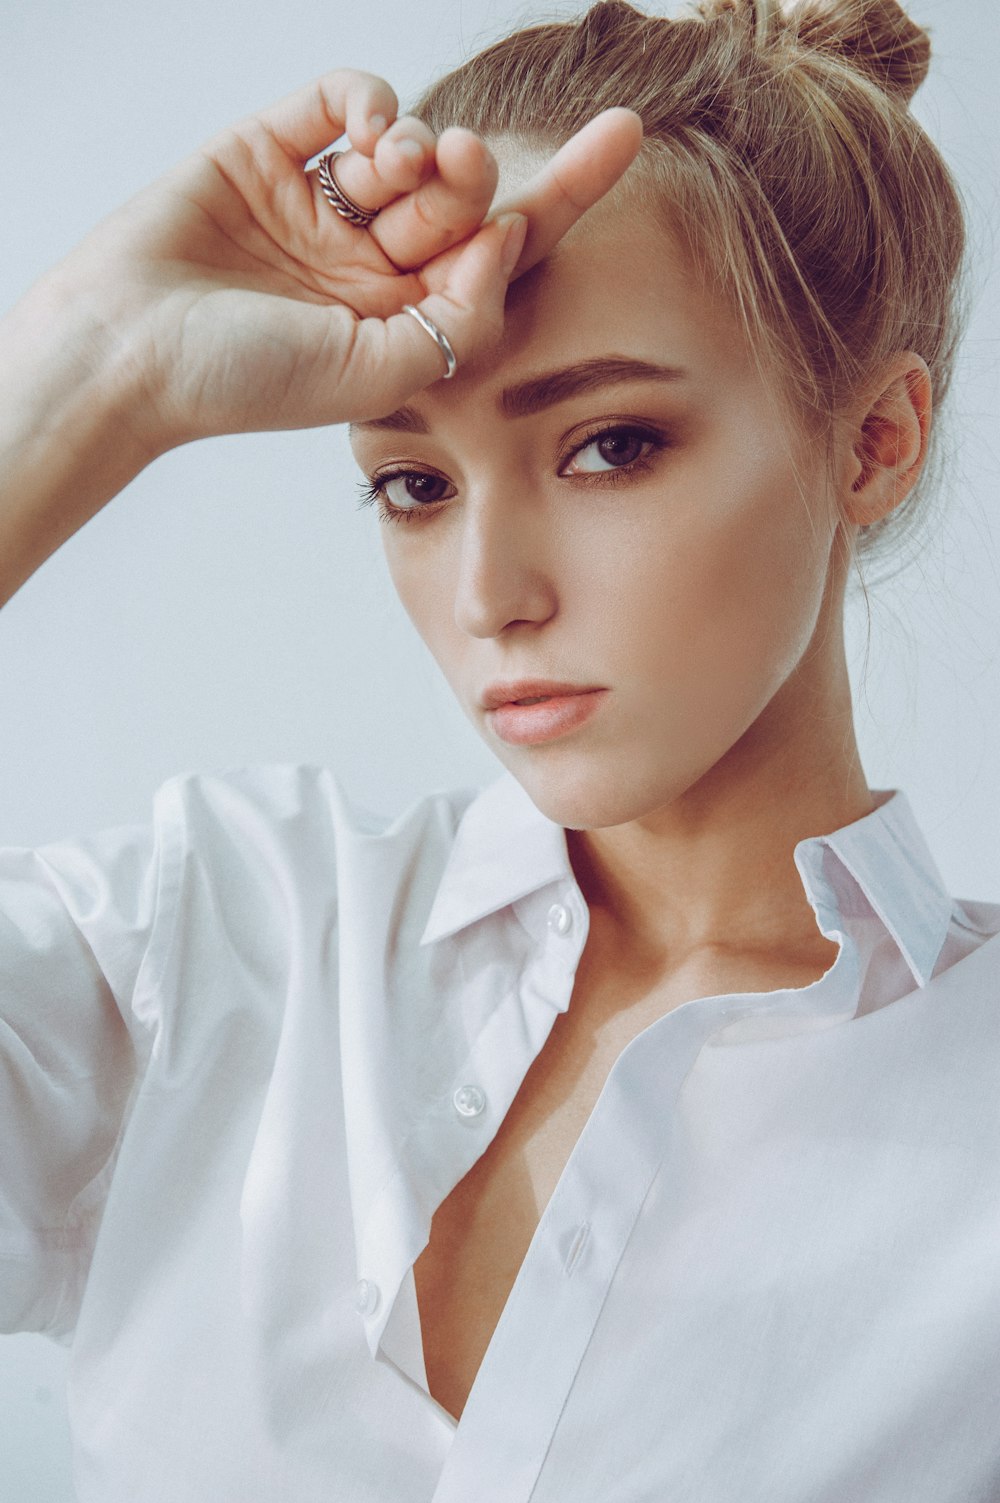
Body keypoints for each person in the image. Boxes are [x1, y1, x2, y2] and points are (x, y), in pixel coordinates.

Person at [1, 0, 996, 1498]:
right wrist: (91, 369)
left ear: (871, 441)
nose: (490, 598)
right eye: (411, 482)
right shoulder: (210, 942)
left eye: (608, 447)